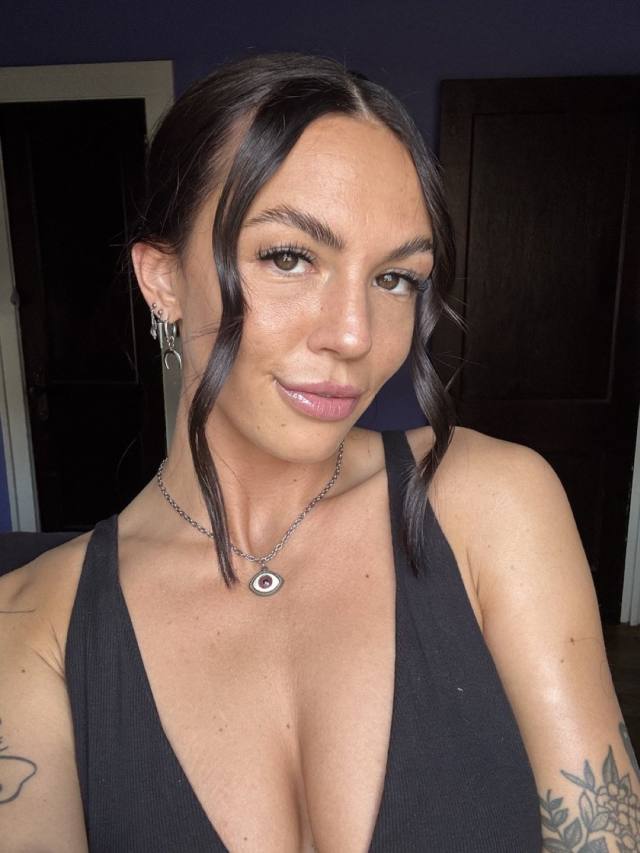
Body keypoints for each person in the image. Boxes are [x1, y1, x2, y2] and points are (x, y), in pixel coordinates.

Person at [1, 51, 638, 853]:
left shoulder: (493, 504)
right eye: (289, 257)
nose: (354, 335)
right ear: (162, 278)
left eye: (396, 277)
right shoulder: (32, 627)